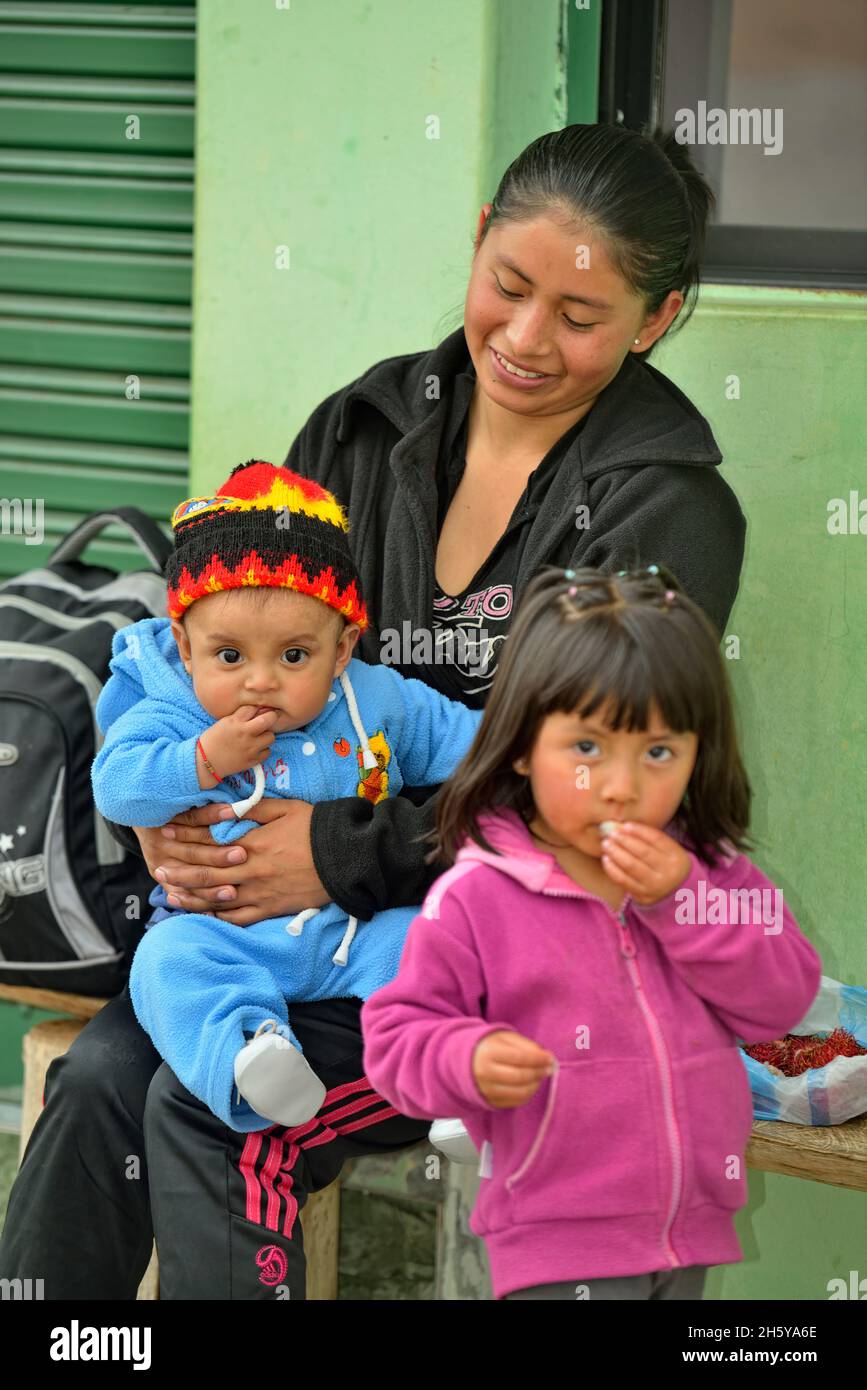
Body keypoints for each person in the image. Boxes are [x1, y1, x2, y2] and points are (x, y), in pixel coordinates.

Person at [0, 122, 748, 1300]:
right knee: (101, 1086)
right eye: (507, 284)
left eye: (581, 316)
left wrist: (336, 852)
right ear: (477, 244)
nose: (524, 337)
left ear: (656, 320)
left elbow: (595, 803)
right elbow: (218, 641)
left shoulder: (663, 511)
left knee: (225, 1118)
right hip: (268, 941)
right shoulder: (361, 431)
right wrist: (170, 807)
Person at [361, 564, 823, 1302]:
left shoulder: (711, 875)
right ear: (519, 745)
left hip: (690, 1232)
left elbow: (782, 999)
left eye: (658, 751)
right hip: (554, 1244)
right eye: (585, 748)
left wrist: (683, 899)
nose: (620, 785)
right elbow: (394, 1040)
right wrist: (466, 1055)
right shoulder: (479, 897)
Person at [91, 459, 482, 1130]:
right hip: (221, 933)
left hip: (353, 927)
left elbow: (481, 744)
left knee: (428, 944)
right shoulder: (175, 712)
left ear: (342, 648)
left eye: (294, 657)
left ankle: (453, 1080)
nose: (260, 682)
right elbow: (118, 786)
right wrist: (201, 761)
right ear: (185, 648)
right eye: (230, 657)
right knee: (165, 965)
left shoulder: (376, 697)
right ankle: (254, 1058)